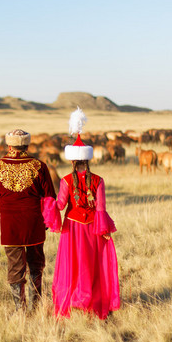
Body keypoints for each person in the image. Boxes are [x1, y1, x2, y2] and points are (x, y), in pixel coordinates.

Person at [43, 109, 120, 319]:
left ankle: (74, 301)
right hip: (94, 228)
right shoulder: (99, 181)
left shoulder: (66, 180)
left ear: (73, 161)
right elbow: (101, 208)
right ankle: (92, 302)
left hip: (72, 230)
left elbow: (59, 205)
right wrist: (104, 231)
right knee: (93, 266)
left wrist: (45, 202)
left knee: (73, 267)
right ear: (88, 160)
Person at [0, 129, 57, 311]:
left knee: (14, 265)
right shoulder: (39, 166)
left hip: (10, 223)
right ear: (27, 145)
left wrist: (7, 203)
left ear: (9, 145)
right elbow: (50, 195)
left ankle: (20, 309)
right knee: (36, 263)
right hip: (34, 221)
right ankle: (35, 307)